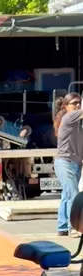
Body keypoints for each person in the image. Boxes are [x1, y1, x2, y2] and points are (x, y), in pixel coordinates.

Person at [54, 93, 83, 236]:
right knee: (73, 195)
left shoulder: (77, 124)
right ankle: (74, 228)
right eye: (74, 103)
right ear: (66, 106)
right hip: (65, 163)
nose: (77, 105)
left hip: (73, 163)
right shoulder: (69, 117)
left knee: (66, 195)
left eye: (79, 102)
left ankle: (62, 227)